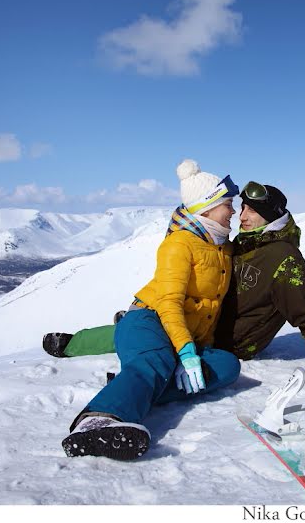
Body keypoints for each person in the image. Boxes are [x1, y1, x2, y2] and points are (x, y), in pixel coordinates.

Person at [43, 181, 305, 388]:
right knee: (148, 323)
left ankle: (130, 373)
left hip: (226, 343)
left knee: (154, 334)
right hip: (205, 323)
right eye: (242, 207)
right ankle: (75, 343)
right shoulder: (248, 243)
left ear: (270, 218)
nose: (241, 214)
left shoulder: (285, 259)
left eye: (252, 210)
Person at [60, 159, 241, 461]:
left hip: (183, 336)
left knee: (227, 366)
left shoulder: (223, 247)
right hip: (149, 318)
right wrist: (185, 352)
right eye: (228, 204)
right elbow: (169, 302)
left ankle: (132, 386)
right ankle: (97, 421)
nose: (232, 211)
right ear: (207, 207)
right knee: (155, 361)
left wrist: (196, 351)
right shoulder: (179, 244)